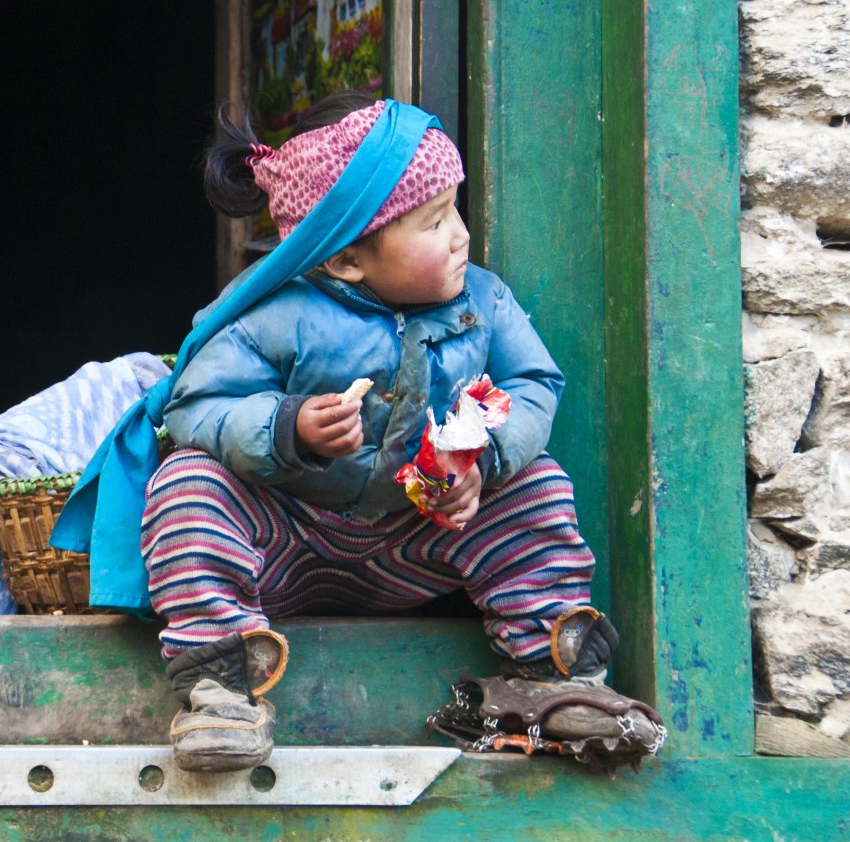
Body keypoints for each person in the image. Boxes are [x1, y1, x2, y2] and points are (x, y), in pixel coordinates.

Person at [53, 91, 664, 774]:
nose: (461, 234)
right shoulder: (273, 313)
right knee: (188, 482)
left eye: (455, 209)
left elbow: (533, 386)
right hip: (284, 542)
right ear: (344, 258)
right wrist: (288, 427)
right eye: (435, 222)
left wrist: (482, 461)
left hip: (419, 539)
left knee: (538, 482)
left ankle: (553, 677)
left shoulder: (483, 302)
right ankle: (219, 689)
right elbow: (196, 406)